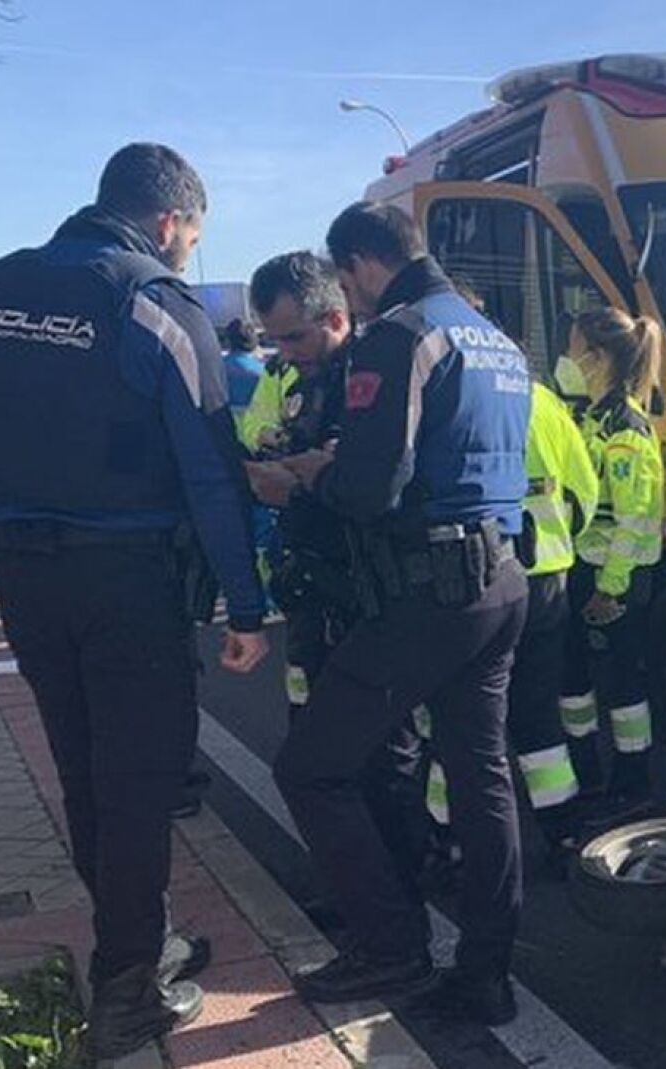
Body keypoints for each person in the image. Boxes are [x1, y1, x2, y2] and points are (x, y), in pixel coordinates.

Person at [0, 143, 270, 1059]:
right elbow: (212, 473)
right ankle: (128, 995)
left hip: (23, 575)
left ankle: (141, 945)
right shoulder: (155, 302)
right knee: (140, 783)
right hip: (128, 579)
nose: (188, 257)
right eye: (191, 241)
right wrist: (245, 606)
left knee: (84, 773)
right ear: (169, 222)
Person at [261, 203, 529, 1023]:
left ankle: (389, 946)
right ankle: (486, 975)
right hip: (500, 579)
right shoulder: (496, 339)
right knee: (482, 779)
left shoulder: (401, 336)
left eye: (346, 281)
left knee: (310, 764)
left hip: (427, 592)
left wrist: (307, 473)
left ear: (357, 267)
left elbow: (372, 489)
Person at [245, 251, 428, 892]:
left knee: (378, 755)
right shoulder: (306, 383)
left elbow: (373, 495)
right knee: (316, 744)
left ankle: (398, 891)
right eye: (275, 339)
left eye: (294, 336)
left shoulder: (372, 374)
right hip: (314, 591)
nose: (286, 353)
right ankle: (353, 882)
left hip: (366, 596)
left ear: (335, 315)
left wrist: (296, 486)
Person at [422, 372, 598, 871]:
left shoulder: (451, 396)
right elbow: (584, 487)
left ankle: (445, 836)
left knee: (462, 714)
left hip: (476, 577)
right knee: (538, 711)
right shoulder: (545, 402)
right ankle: (563, 832)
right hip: (546, 579)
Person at [559, 308, 666, 808]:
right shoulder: (589, 416)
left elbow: (636, 517)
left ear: (598, 358)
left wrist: (611, 586)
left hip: (613, 576)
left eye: (573, 348)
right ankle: (589, 773)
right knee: (576, 679)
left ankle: (634, 780)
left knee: (623, 684)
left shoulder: (623, 427)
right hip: (584, 568)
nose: (567, 358)